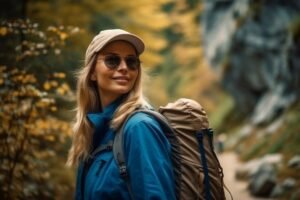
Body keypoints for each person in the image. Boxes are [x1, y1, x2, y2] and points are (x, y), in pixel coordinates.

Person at [66, 29, 176, 200]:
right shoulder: (92, 134)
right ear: (93, 72)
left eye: (131, 62)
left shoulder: (139, 128)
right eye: (112, 60)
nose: (124, 68)